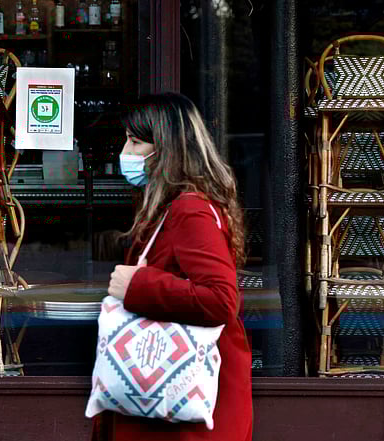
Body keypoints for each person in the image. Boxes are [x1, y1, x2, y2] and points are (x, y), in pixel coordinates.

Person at [91, 93, 253, 441]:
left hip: (180, 420)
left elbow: (222, 301)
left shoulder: (189, 211)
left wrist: (137, 287)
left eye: (135, 142)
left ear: (165, 150)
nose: (125, 151)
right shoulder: (177, 208)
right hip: (169, 410)